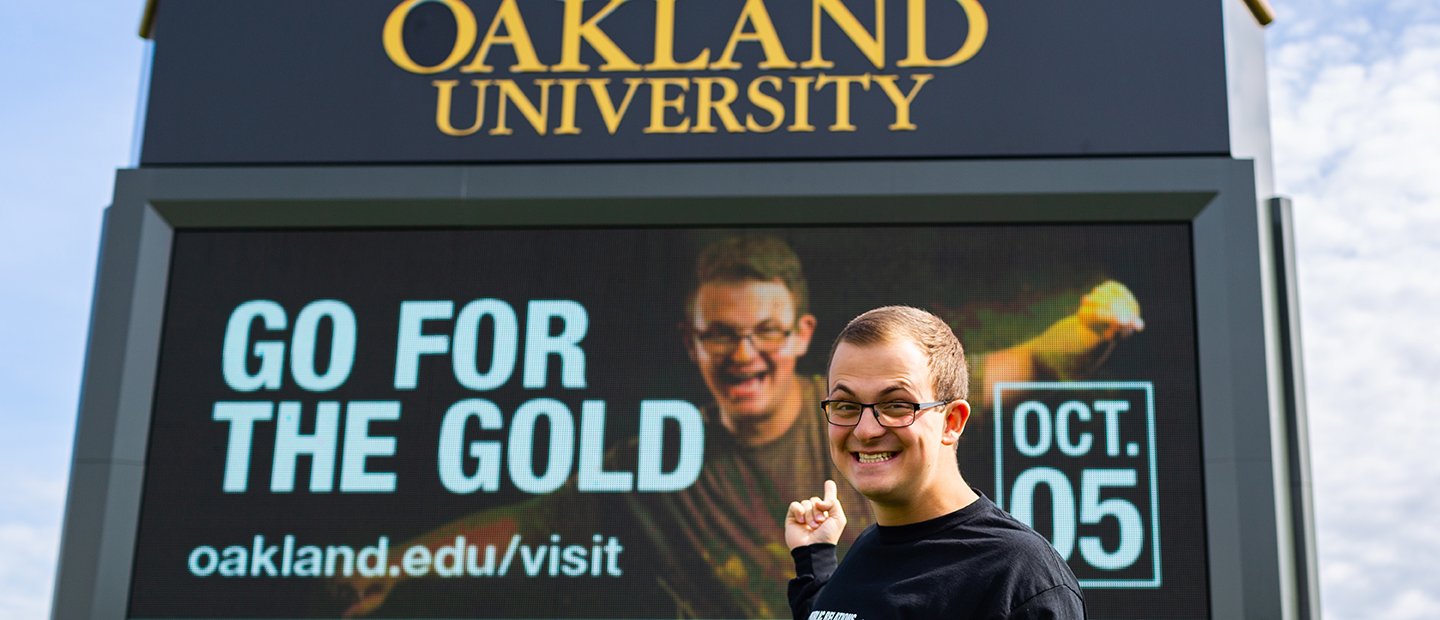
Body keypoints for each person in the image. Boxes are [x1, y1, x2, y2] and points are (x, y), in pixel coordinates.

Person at [336, 234, 1136, 617]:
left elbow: (1022, 363)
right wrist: (402, 558)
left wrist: (1094, 326)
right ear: (692, 344)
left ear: (797, 337)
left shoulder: (1016, 573)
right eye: (721, 333)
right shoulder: (658, 462)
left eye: (894, 408)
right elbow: (524, 524)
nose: (743, 353)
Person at [785, 306, 1086, 619]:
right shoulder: (864, 552)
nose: (866, 430)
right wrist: (814, 560)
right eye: (846, 406)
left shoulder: (1018, 574)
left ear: (952, 421)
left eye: (897, 405)